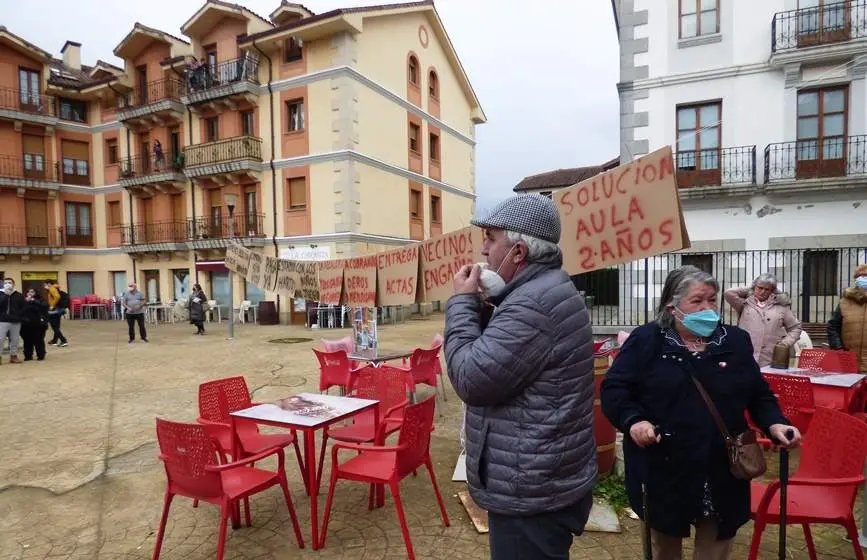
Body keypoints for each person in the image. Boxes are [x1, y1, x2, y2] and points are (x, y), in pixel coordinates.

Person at [601, 266, 801, 559]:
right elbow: (615, 390)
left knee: (716, 547)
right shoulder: (647, 340)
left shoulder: (734, 341)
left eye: (712, 300)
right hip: (665, 463)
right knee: (664, 547)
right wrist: (634, 421)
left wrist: (775, 423)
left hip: (723, 464)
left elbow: (757, 393)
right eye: (697, 301)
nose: (707, 308)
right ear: (672, 305)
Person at [444, 194, 597, 560]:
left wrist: (463, 304)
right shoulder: (543, 290)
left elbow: (470, 378)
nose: (483, 250)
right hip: (542, 477)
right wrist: (488, 306)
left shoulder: (532, 305)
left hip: (531, 492)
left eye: (491, 238)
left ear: (518, 253)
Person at [724, 273, 802, 367]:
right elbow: (729, 293)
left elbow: (795, 328)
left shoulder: (781, 306)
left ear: (772, 291)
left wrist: (785, 343)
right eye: (760, 288)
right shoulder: (745, 304)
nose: (763, 291)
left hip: (770, 356)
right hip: (746, 354)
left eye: (767, 289)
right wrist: (751, 289)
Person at [828, 264, 867, 372]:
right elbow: (833, 326)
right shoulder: (845, 301)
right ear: (856, 279)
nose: (864, 279)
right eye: (861, 276)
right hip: (848, 362)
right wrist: (838, 348)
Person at [0, 278, 25, 364]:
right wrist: (6, 295)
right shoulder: (1, 293)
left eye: (10, 283)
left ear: (13, 284)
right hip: (2, 320)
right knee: (1, 339)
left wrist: (19, 316)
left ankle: (13, 356)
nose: (8, 284)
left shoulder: (19, 295)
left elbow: (23, 307)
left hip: (15, 321)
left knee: (15, 339)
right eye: (6, 283)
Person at [21, 288, 48, 361]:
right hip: (26, 324)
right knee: (27, 340)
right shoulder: (23, 301)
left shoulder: (40, 300)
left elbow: (44, 306)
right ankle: (28, 355)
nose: (30, 293)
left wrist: (33, 300)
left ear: (36, 293)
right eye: (28, 292)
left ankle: (40, 355)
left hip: (38, 324)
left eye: (32, 292)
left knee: (38, 340)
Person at [44, 280, 68, 347]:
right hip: (58, 309)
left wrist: (52, 305)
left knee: (54, 326)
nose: (44, 286)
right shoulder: (55, 288)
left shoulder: (52, 288)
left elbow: (57, 297)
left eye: (45, 284)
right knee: (56, 326)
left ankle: (63, 341)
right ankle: (54, 340)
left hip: (54, 310)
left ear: (49, 284)